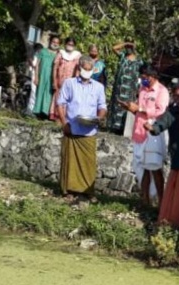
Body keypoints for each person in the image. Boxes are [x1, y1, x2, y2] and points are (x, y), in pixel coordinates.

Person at [55, 56, 107, 201]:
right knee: (69, 161)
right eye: (85, 69)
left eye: (90, 70)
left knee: (89, 163)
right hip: (72, 128)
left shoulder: (98, 87)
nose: (87, 72)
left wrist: (100, 117)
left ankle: (88, 191)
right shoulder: (69, 84)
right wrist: (64, 123)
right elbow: (60, 103)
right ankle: (68, 191)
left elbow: (102, 106)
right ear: (79, 68)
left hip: (89, 130)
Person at [147, 83, 179, 227]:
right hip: (178, 156)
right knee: (178, 191)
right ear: (173, 97)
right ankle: (175, 219)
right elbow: (159, 126)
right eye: (177, 96)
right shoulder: (172, 113)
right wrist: (152, 128)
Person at [121, 64, 169, 206]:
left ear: (152, 77)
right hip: (139, 132)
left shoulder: (162, 91)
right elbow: (139, 112)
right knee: (142, 167)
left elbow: (161, 112)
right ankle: (145, 200)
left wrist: (140, 108)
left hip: (153, 133)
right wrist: (131, 108)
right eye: (142, 77)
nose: (142, 80)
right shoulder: (142, 89)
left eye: (144, 77)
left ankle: (161, 202)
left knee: (154, 168)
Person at [107, 40, 143, 134]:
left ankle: (124, 131)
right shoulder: (123, 56)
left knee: (127, 110)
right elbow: (114, 48)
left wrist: (134, 48)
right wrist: (125, 44)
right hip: (119, 90)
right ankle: (113, 130)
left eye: (130, 47)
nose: (129, 49)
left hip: (130, 92)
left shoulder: (139, 61)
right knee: (116, 110)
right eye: (127, 47)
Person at [51, 37, 81, 121]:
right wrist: (54, 81)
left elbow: (78, 70)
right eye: (68, 44)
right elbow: (55, 68)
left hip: (70, 82)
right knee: (58, 97)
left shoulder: (77, 56)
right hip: (59, 81)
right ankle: (56, 116)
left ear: (74, 46)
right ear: (65, 44)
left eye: (72, 45)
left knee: (68, 99)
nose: (70, 46)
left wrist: (76, 83)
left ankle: (65, 117)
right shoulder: (60, 53)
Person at [32, 36, 59, 117]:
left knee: (49, 94)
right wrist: (36, 77)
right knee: (40, 92)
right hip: (42, 75)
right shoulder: (43, 51)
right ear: (50, 42)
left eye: (57, 42)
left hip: (52, 77)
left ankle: (46, 113)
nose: (55, 44)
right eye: (54, 41)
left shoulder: (59, 54)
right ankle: (37, 111)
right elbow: (37, 65)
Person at [25, 43, 44, 116]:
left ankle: (31, 110)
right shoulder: (36, 55)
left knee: (35, 94)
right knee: (34, 93)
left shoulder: (36, 55)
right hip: (35, 77)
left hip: (38, 76)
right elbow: (34, 66)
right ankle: (30, 111)